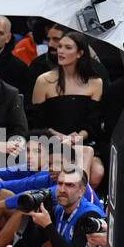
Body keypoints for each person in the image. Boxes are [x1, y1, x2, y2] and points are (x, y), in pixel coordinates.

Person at [29, 30, 104, 184]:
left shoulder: (96, 83)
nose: (60, 51)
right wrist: (58, 137)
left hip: (81, 141)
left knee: (97, 172)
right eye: (60, 46)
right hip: (50, 141)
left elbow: (93, 123)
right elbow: (36, 122)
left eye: (68, 48)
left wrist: (75, 138)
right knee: (59, 165)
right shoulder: (43, 81)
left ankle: (81, 202)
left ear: (80, 53)